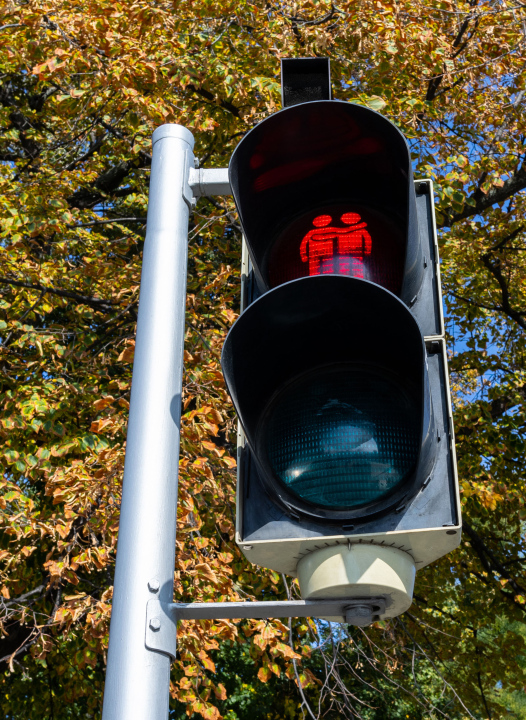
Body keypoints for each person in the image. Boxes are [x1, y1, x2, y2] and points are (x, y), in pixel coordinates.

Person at [299, 212, 372, 277]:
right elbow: (304, 243)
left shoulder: (359, 230)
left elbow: (367, 238)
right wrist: (304, 256)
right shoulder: (313, 232)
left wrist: (367, 250)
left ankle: (354, 277)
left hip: (345, 251)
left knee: (351, 266)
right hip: (322, 252)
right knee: (320, 268)